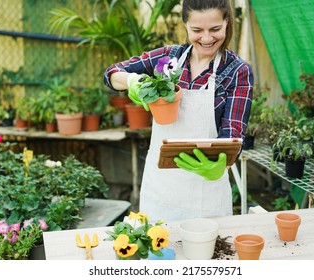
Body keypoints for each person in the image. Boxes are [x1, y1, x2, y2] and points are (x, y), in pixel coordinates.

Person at [104, 0, 254, 221]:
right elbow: (111, 73)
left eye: (215, 29)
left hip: (206, 193)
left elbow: (233, 133)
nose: (206, 38)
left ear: (227, 23)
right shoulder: (169, 58)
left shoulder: (237, 71)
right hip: (160, 190)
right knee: (157, 249)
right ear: (185, 25)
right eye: (197, 30)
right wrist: (131, 81)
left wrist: (220, 164)